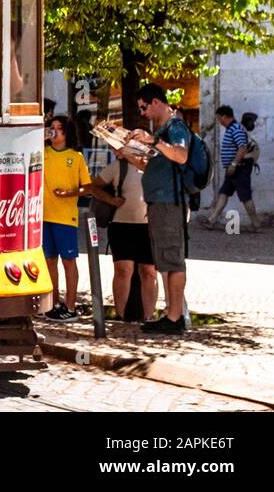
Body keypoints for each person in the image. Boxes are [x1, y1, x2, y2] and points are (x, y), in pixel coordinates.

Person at [126, 83, 192, 335]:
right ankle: (170, 314)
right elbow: (151, 166)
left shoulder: (174, 127)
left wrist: (153, 141)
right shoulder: (163, 130)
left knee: (173, 260)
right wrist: (125, 152)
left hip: (169, 202)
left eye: (143, 107)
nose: (142, 113)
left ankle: (175, 317)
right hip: (159, 203)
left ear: (155, 102)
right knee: (165, 259)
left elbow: (181, 155)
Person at [93, 151, 158, 323]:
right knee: (123, 270)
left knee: (149, 272)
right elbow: (94, 186)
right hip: (121, 225)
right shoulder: (118, 167)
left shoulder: (155, 166)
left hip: (150, 226)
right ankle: (120, 315)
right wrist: (110, 199)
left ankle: (149, 317)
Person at [42, 115, 93, 321]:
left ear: (67, 132)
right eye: (51, 127)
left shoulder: (76, 157)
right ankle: (52, 304)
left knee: (68, 262)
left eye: (59, 128)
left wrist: (69, 193)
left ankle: (70, 307)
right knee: (49, 262)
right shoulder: (42, 152)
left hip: (65, 218)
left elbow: (87, 188)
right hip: (44, 217)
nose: (54, 131)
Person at [200, 105, 260, 232]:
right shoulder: (231, 128)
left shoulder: (235, 129)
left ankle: (256, 224)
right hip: (233, 169)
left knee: (245, 197)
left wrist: (233, 164)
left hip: (239, 169)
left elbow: (242, 148)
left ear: (224, 117)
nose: (218, 121)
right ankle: (212, 220)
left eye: (218, 118)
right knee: (224, 193)